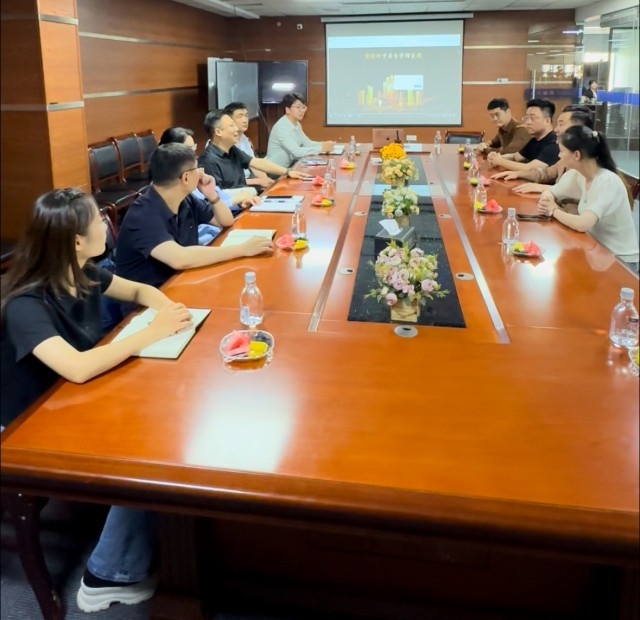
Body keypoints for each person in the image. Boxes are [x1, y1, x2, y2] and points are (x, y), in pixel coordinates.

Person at [0, 188, 194, 610]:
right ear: (76, 240)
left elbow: (141, 292)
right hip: (26, 421)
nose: (106, 226)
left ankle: (162, 535)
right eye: (97, 221)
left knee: (166, 410)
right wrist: (153, 332)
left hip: (67, 397)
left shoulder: (84, 272)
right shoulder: (25, 304)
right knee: (147, 446)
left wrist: (169, 312)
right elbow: (76, 367)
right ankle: (108, 574)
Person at [115, 143, 273, 291]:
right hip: (150, 299)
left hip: (182, 281)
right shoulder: (143, 214)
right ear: (186, 177)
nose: (202, 172)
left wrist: (212, 195)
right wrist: (242, 249)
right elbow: (179, 259)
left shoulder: (185, 199)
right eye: (197, 168)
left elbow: (225, 221)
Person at [537, 126, 639, 270]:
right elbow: (551, 192)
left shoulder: (607, 181)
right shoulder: (578, 175)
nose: (559, 156)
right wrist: (547, 200)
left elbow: (583, 224)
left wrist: (553, 210)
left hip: (620, 261)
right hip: (596, 253)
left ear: (576, 155)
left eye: (562, 151)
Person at [492, 105, 594, 192]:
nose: (556, 129)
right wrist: (519, 174)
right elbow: (546, 173)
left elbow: (579, 196)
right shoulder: (566, 155)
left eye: (561, 124)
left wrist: (546, 189)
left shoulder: (589, 163)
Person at [199, 109, 310, 189]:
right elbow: (218, 195)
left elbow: (256, 162)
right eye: (232, 126)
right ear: (218, 132)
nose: (236, 129)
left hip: (246, 201)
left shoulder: (232, 150)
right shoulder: (208, 160)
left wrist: (288, 172)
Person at [158, 126, 259, 213]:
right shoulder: (174, 183)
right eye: (189, 149)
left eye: (194, 147)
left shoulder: (196, 172)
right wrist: (234, 200)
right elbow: (202, 211)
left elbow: (220, 196)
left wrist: (239, 203)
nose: (194, 153)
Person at [487, 98, 559, 172]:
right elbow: (515, 156)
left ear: (547, 121)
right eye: (526, 117)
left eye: (532, 118)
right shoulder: (535, 140)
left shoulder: (554, 143)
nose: (527, 122)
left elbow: (530, 168)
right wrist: (497, 157)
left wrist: (500, 161)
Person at [266, 93, 335, 168]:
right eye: (298, 107)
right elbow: (297, 152)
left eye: (303, 107)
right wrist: (322, 148)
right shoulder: (281, 127)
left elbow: (307, 143)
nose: (302, 111)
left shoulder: (297, 124)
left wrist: (324, 144)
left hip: (289, 166)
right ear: (287, 110)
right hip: (274, 170)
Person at [222, 102, 274, 191]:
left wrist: (266, 181)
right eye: (240, 116)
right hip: (233, 187)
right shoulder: (222, 142)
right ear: (229, 120)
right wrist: (258, 181)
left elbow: (254, 165)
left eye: (246, 116)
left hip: (247, 181)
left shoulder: (243, 138)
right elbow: (228, 180)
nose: (245, 120)